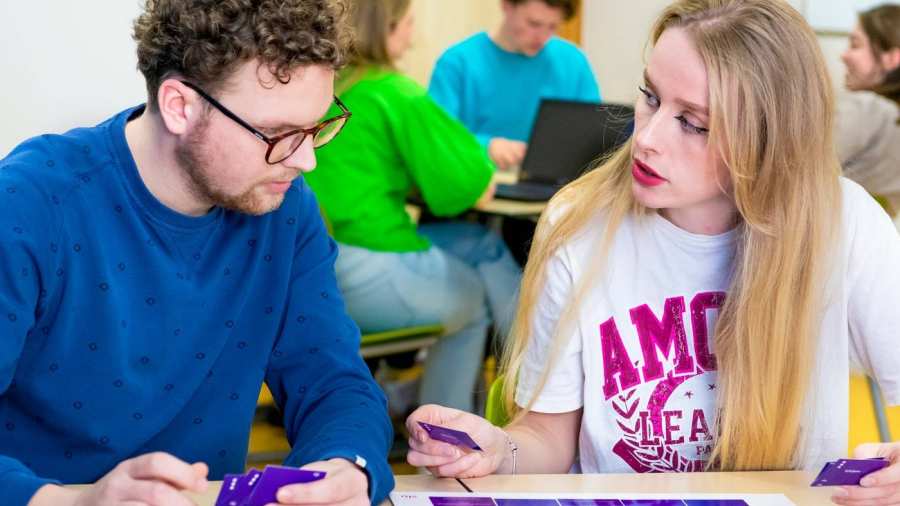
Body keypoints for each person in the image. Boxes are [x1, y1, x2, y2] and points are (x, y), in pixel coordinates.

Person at [405, 1, 900, 505]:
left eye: (694, 122)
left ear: (768, 141)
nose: (646, 137)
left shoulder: (846, 222)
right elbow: (549, 439)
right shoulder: (579, 223)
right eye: (649, 97)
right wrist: (499, 450)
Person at [0, 1, 394, 505]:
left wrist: (345, 466)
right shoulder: (32, 202)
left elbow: (335, 382)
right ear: (179, 106)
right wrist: (73, 502)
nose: (306, 160)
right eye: (276, 135)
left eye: (317, 128)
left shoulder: (285, 208)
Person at [303, 0, 522, 414]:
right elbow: (468, 185)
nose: (413, 35)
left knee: (479, 242)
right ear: (387, 28)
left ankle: (512, 380)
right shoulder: (394, 92)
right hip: (362, 265)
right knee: (473, 302)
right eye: (407, 24)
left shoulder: (329, 86)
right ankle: (452, 431)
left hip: (316, 259)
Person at [429, 0, 601, 171]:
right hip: (477, 185)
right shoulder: (456, 64)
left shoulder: (573, 62)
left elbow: (594, 137)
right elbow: (435, 139)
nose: (542, 37)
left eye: (553, 27)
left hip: (553, 190)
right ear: (506, 5)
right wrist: (486, 146)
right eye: (534, 24)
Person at [836, 3, 900, 217]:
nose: (844, 56)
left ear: (892, 58)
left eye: (855, 45)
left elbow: (793, 171)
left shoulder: (868, 108)